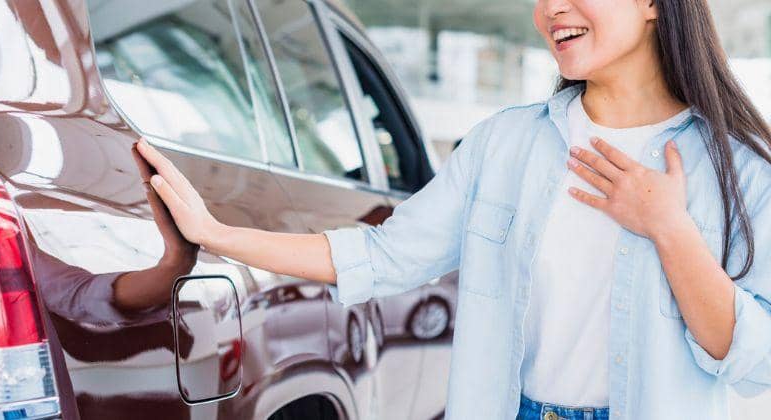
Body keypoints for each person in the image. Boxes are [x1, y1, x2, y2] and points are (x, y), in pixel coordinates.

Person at [134, 0, 771, 418]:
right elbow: (384, 256)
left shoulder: (740, 171)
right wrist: (216, 234)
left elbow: (756, 359)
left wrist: (670, 229)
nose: (550, 9)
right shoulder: (504, 143)